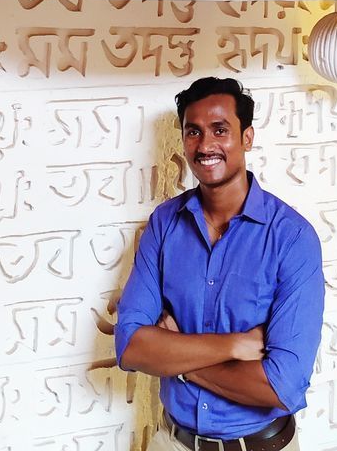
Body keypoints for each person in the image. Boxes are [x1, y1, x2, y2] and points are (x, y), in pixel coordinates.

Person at [115, 76, 324, 451]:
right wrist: (234, 345)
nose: (205, 145)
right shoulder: (164, 223)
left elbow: (283, 386)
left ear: (247, 137)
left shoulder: (291, 238)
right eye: (193, 132)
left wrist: (181, 360)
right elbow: (131, 347)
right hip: (174, 442)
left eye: (220, 130)